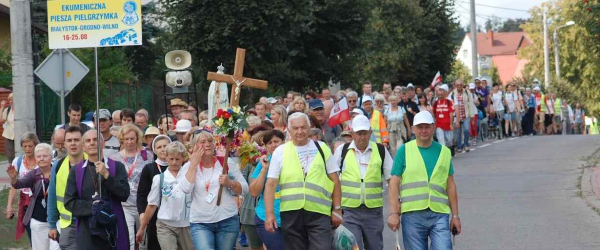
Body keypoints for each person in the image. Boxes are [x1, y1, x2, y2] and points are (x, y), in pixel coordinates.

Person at [264, 112, 342, 250]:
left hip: (319, 213)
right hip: (291, 213)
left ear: (309, 127)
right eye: (295, 128)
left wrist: (337, 209)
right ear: (289, 130)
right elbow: (270, 184)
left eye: (303, 127)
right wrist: (269, 214)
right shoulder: (280, 151)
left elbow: (335, 180)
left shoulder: (322, 148)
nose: (300, 131)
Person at [387, 111, 461, 249]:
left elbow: (450, 185)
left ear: (433, 127)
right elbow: (394, 183)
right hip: (412, 215)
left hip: (439, 214)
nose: (424, 130)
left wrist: (455, 216)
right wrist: (393, 213)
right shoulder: (404, 150)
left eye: (427, 126)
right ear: (413, 129)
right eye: (420, 127)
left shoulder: (444, 152)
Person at [180, 131, 248, 249]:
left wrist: (230, 183)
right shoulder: (188, 166)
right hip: (200, 222)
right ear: (194, 146)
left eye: (210, 141)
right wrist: (193, 165)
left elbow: (245, 189)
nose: (207, 144)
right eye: (202, 142)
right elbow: (186, 189)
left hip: (227, 219)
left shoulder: (225, 162)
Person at [334, 115, 393, 250]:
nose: (362, 137)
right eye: (359, 133)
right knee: (353, 247)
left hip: (373, 212)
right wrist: (335, 208)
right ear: (352, 133)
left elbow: (392, 180)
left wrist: (395, 208)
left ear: (370, 132)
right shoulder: (342, 151)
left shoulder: (380, 150)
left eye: (365, 133)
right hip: (349, 211)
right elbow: (333, 180)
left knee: (375, 247)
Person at [64, 130, 130, 250]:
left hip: (112, 228)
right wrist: (93, 207)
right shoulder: (76, 171)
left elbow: (124, 194)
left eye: (95, 140)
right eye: (88, 141)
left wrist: (107, 176)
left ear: (103, 143)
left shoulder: (117, 166)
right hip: (87, 230)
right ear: (83, 147)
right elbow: (69, 202)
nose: (92, 143)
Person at [136, 141, 193, 250]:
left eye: (177, 159)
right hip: (165, 225)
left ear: (183, 158)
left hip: (186, 225)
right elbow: (152, 205)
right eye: (171, 159)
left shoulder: (189, 176)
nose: (174, 162)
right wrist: (142, 228)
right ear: (166, 158)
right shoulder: (159, 178)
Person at [8, 143, 60, 250]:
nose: (41, 159)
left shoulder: (58, 172)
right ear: (35, 158)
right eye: (39, 156)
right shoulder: (33, 174)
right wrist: (14, 178)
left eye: (45, 156)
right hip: (38, 221)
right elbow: (18, 184)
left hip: (57, 221)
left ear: (51, 157)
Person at [112, 124, 154, 250]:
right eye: (126, 139)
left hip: (143, 205)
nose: (129, 142)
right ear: (122, 140)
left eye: (132, 138)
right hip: (124, 205)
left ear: (137, 139)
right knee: (129, 240)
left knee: (143, 242)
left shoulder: (147, 155)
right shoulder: (114, 158)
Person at [47, 126, 87, 250]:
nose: (73, 143)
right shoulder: (58, 166)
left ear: (83, 142)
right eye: (69, 140)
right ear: (64, 144)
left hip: (90, 222)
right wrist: (52, 225)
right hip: (68, 225)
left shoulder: (93, 162)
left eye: (76, 140)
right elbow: (52, 196)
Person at [249, 130, 286, 250]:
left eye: (276, 141)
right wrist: (264, 169)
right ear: (265, 146)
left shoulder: (292, 160)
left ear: (284, 142)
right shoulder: (264, 162)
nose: (273, 145)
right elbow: (254, 192)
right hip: (266, 217)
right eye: (269, 143)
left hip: (291, 217)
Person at [136, 135, 171, 250]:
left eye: (165, 146)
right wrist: (142, 213)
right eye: (159, 147)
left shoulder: (179, 166)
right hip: (155, 215)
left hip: (175, 215)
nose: (162, 149)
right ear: (154, 150)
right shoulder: (149, 168)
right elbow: (142, 194)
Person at [5, 132, 39, 242]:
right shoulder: (18, 162)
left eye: (30, 146)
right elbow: (14, 186)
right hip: (25, 203)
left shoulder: (41, 160)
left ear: (35, 145)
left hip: (40, 200)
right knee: (30, 231)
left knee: (41, 231)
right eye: (25, 146)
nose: (28, 149)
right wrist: (9, 206)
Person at [451, 79, 474, 153]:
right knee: (458, 132)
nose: (459, 86)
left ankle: (466, 145)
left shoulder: (467, 92)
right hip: (456, 116)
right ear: (455, 85)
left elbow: (471, 104)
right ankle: (459, 146)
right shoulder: (452, 93)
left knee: (466, 130)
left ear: (462, 85)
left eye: (461, 85)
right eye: (457, 85)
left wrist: (472, 115)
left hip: (465, 115)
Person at [433, 84, 454, 150]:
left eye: (442, 91)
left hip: (447, 126)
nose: (440, 93)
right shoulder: (436, 103)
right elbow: (434, 113)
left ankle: (450, 147)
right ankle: (444, 155)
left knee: (449, 141)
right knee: (441, 141)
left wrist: (451, 124)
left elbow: (451, 113)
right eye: (439, 91)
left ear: (445, 92)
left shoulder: (449, 102)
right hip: (439, 125)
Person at [0, 93, 15, 163]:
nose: (11, 101)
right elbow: (1, 120)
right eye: (10, 100)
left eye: (13, 100)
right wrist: (2, 107)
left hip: (19, 135)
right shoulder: (8, 110)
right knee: (10, 155)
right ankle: (13, 171)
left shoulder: (21, 110)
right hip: (9, 136)